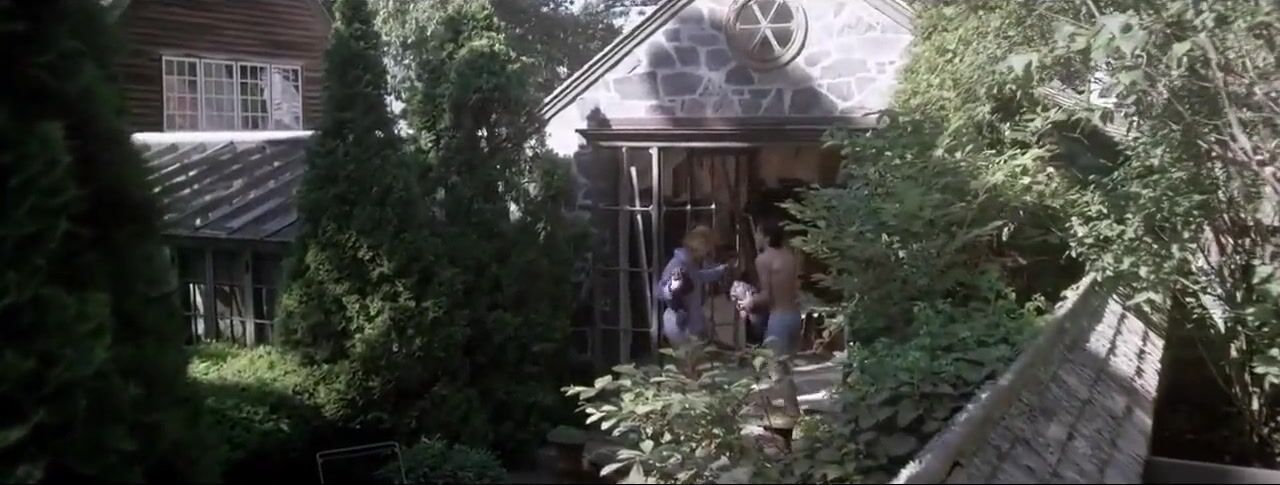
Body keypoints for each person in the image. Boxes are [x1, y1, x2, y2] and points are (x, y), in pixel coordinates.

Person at [741, 217, 803, 427]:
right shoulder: (790, 255)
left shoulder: (763, 259)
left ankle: (792, 410)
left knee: (776, 367)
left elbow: (767, 296)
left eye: (758, 232)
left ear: (766, 236)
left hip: (779, 317)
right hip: (795, 315)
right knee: (785, 366)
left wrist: (749, 301)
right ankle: (791, 407)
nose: (755, 236)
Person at [656, 226, 732, 367]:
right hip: (679, 322)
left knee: (697, 365)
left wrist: (719, 271)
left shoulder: (691, 264)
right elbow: (661, 291)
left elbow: (698, 277)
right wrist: (672, 287)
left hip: (692, 321)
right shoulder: (678, 264)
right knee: (689, 366)